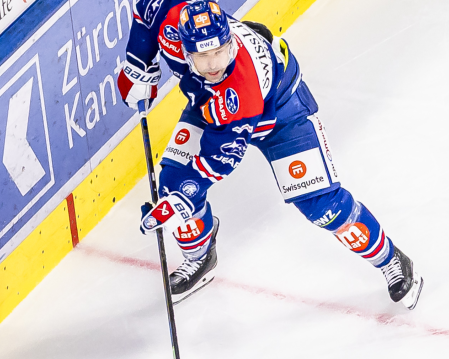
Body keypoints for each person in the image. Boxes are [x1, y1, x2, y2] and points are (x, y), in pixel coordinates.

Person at [118, 0, 422, 307]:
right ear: (184, 48)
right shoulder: (171, 21)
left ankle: (390, 260)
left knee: (322, 206)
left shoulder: (241, 92)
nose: (213, 65)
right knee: (172, 179)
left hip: (282, 114)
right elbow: (146, 11)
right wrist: (138, 64)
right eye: (203, 56)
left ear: (230, 44)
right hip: (211, 109)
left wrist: (183, 198)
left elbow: (218, 160)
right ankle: (201, 257)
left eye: (219, 53)